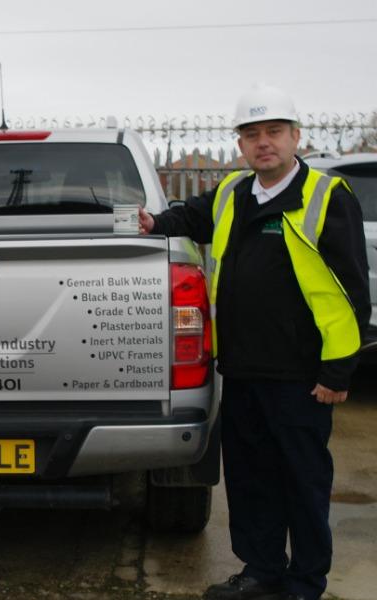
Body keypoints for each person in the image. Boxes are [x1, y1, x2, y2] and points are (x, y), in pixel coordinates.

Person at [139, 84, 370, 600]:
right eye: (252, 135)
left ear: (296, 138)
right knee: (250, 480)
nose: (263, 143)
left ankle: (305, 583)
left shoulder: (327, 196)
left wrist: (337, 372)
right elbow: (191, 217)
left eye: (274, 133)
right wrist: (154, 221)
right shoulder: (232, 194)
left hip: (302, 377)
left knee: (303, 483)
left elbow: (353, 290)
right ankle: (261, 571)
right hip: (241, 371)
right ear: (241, 144)